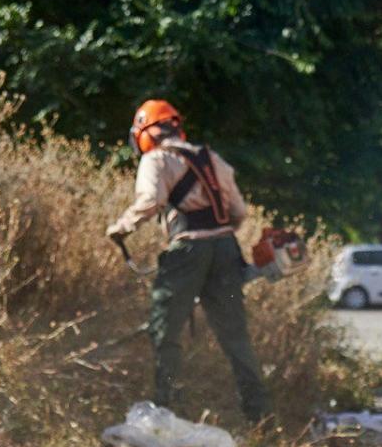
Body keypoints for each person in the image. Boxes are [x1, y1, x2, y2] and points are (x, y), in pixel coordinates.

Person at [107, 100, 271, 423]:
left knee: (165, 331)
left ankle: (164, 410)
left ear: (144, 134)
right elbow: (238, 212)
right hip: (226, 248)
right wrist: (217, 239)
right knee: (235, 336)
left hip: (188, 251)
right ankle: (259, 416)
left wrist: (120, 228)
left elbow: (151, 201)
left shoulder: (156, 159)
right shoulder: (213, 158)